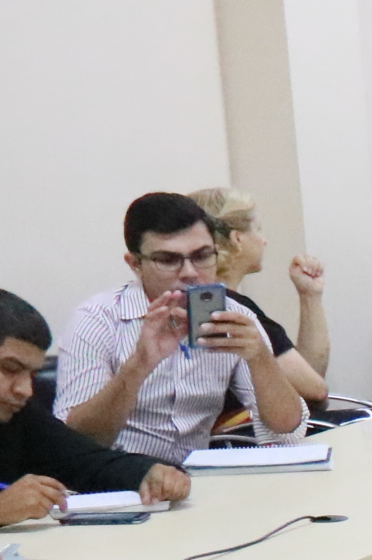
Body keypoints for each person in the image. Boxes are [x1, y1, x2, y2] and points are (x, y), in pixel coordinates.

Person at [57, 192, 309, 462]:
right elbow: (77, 442)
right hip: (117, 474)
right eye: (168, 260)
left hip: (197, 475)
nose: (190, 272)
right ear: (135, 264)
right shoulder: (98, 318)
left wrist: (261, 359)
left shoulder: (235, 315)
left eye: (202, 256)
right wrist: (138, 365)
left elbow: (287, 433)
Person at [0, 290, 191, 522]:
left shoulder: (18, 417)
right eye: (10, 369)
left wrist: (149, 472)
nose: (25, 390)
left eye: (32, 375)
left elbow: (86, 462)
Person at [188, 187, 330, 406]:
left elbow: (307, 376)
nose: (264, 241)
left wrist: (309, 295)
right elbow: (315, 390)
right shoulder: (232, 309)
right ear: (237, 239)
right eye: (258, 229)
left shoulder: (198, 302)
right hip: (248, 427)